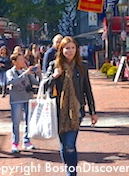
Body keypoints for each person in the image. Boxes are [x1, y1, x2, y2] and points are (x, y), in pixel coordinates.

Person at [44, 36, 98, 176]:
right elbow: (44, 86)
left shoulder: (82, 66)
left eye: (73, 48)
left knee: (70, 145)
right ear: (61, 50)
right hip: (58, 111)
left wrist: (93, 111)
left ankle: (71, 173)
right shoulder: (54, 66)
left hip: (76, 110)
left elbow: (87, 89)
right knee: (63, 145)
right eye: (67, 48)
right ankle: (69, 170)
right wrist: (54, 77)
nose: (70, 51)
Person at [6, 52, 40, 153]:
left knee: (29, 121)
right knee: (16, 122)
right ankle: (15, 143)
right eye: (20, 60)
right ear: (14, 62)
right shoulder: (10, 72)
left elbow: (36, 82)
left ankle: (27, 141)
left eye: (23, 60)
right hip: (16, 99)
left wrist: (38, 72)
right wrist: (25, 73)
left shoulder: (26, 71)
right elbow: (12, 82)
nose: (23, 62)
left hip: (28, 98)